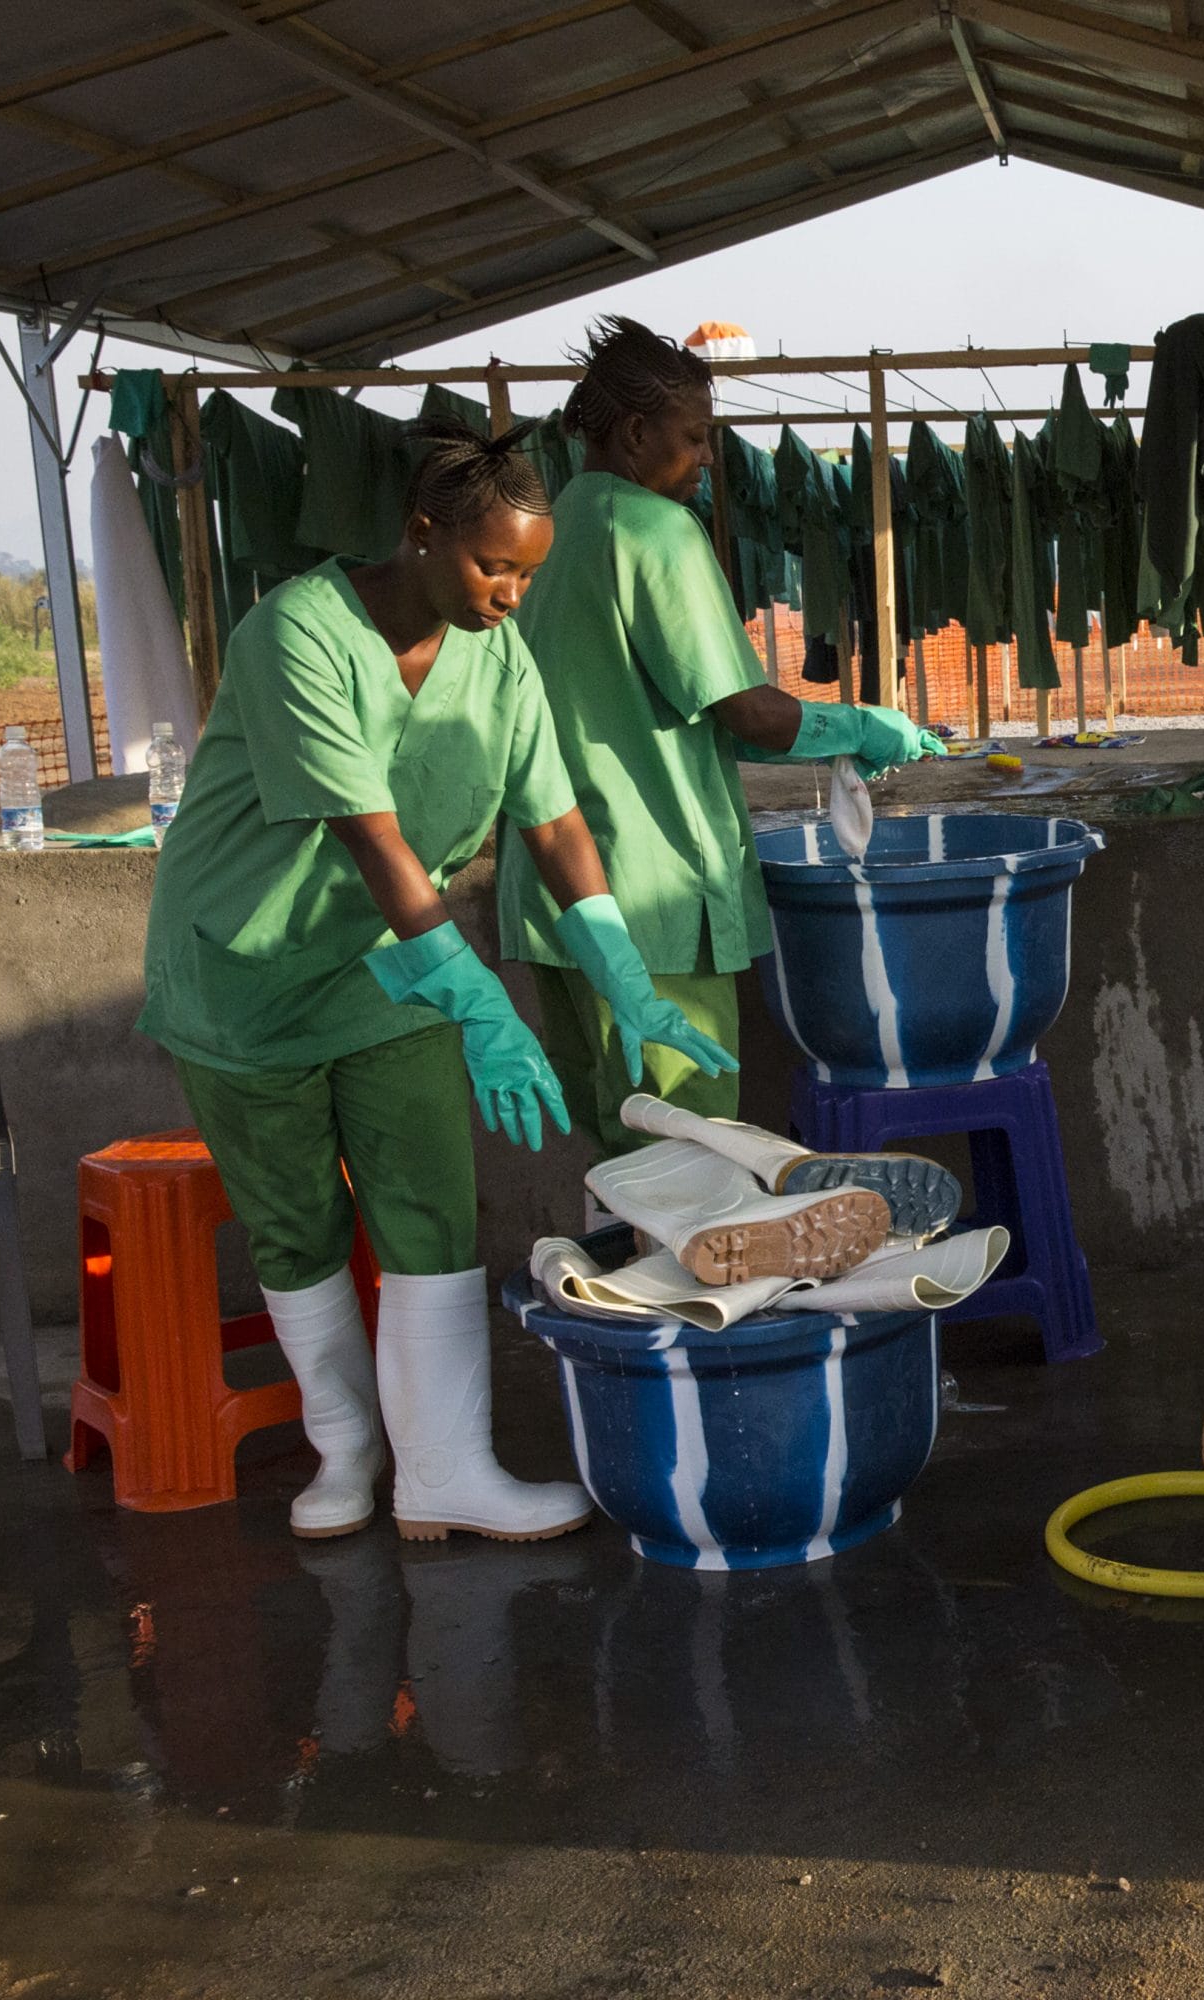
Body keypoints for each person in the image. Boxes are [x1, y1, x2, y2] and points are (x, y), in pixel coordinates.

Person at [139, 421, 730, 1541]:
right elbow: (373, 839)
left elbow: (554, 822)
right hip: (246, 970)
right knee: (297, 1222)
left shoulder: (498, 657)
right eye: (492, 565)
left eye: (526, 573)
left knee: (428, 1206)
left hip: (392, 970)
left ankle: (447, 1471)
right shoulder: (298, 635)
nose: (511, 592)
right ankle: (348, 1455)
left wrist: (627, 977)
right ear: (422, 534)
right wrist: (482, 1002)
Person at [497, 316, 943, 1158]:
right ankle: (681, 1295)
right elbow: (744, 711)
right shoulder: (654, 530)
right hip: (653, 897)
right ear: (634, 434)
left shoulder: (551, 531)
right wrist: (860, 724)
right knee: (689, 1153)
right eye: (696, 437)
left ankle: (620, 1285)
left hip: (559, 897)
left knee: (616, 1147)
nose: (708, 458)